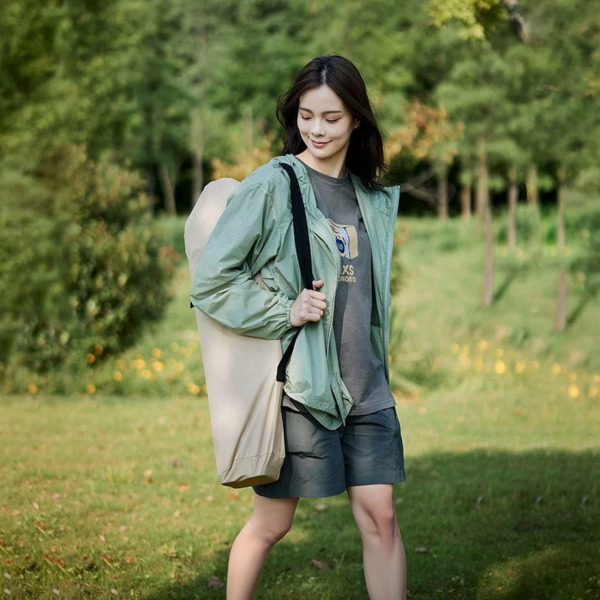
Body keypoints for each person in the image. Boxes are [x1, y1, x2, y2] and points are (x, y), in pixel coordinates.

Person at [192, 54, 407, 600]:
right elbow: (212, 281)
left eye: (332, 118)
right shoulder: (274, 184)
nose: (317, 129)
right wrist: (284, 311)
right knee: (272, 524)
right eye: (306, 116)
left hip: (368, 387)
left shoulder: (370, 196)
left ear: (356, 118)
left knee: (381, 518)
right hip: (305, 388)